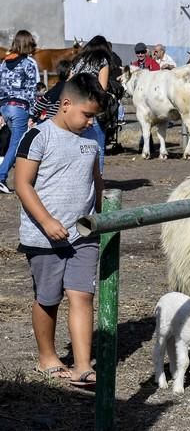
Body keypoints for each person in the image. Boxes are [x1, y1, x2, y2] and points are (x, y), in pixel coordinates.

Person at [15, 73, 107, 387]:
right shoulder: (39, 136)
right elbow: (22, 184)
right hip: (44, 237)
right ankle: (48, 357)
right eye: (87, 115)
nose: (90, 122)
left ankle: (82, 365)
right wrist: (47, 221)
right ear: (66, 104)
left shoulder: (92, 138)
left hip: (83, 234)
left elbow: (97, 181)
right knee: (48, 298)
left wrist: (100, 215)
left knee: (82, 296)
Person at [0, 29, 39, 194]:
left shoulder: (4, 62)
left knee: (12, 144)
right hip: (20, 108)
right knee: (16, 146)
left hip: (4, 107)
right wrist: (33, 114)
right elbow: (31, 91)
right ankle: (1, 176)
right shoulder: (29, 63)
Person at [71, 35, 112, 174]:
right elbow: (102, 88)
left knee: (76, 147)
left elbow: (69, 83)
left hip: (74, 109)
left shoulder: (77, 61)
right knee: (96, 148)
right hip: (91, 111)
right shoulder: (102, 61)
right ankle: (96, 182)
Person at [30, 60, 72, 125]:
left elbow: (40, 105)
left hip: (49, 121)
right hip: (60, 122)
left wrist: (33, 118)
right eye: (73, 71)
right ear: (68, 72)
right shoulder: (70, 89)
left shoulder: (54, 88)